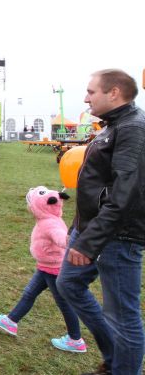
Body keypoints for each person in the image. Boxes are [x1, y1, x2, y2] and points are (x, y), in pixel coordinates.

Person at [56, 69, 145, 375]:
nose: (85, 97)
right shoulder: (113, 125)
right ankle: (114, 356)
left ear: (114, 93)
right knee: (68, 283)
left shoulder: (133, 128)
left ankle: (122, 367)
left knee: (123, 315)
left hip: (118, 238)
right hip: (91, 230)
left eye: (91, 91)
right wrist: (79, 227)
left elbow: (124, 194)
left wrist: (89, 241)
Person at [0, 186, 85, 353]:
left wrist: (70, 240)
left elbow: (61, 238)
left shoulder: (50, 224)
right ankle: (11, 321)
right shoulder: (48, 219)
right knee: (30, 293)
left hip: (54, 270)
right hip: (45, 266)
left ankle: (75, 340)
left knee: (64, 303)